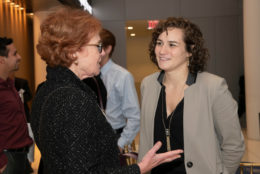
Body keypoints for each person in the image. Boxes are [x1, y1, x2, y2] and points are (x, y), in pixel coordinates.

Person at [30, 7, 183, 174]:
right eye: (97, 46)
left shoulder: (48, 90)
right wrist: (139, 168)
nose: (102, 53)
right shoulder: (70, 100)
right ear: (74, 52)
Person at [138, 17, 245, 174]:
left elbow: (233, 145)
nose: (162, 51)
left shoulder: (213, 87)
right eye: (159, 43)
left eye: (172, 45)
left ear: (190, 50)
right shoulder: (148, 85)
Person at [100, 28, 140, 153]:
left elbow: (134, 117)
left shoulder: (122, 76)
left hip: (114, 137)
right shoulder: (87, 75)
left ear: (108, 49)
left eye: (97, 47)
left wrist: (120, 144)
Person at [0, 37, 33, 174]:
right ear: (1, 59)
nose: (19, 57)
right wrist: (2, 163)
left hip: (20, 157)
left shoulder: (9, 84)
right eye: (14, 54)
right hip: (7, 160)